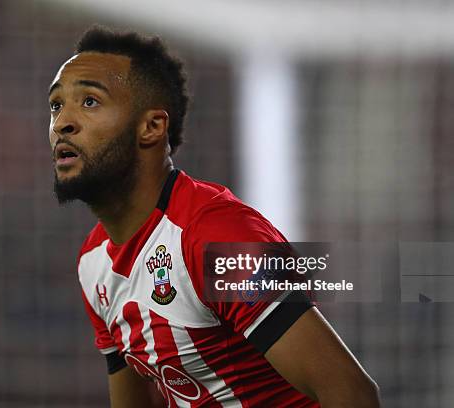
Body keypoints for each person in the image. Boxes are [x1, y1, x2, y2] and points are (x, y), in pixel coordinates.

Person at [48, 26, 380, 407]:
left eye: (90, 101)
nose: (62, 123)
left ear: (152, 127)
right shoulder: (93, 261)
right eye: (56, 105)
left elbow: (351, 392)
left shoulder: (215, 237)